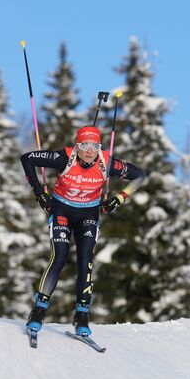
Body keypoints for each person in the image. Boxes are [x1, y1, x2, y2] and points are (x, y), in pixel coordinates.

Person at [20, 125, 145, 336]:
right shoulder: (63, 158)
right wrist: (39, 192)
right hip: (61, 209)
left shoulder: (107, 163)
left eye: (94, 146)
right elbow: (27, 158)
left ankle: (82, 315)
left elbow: (139, 175)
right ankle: (39, 310)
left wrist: (118, 198)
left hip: (88, 215)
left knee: (85, 261)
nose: (89, 151)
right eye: (85, 145)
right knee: (58, 257)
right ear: (77, 146)